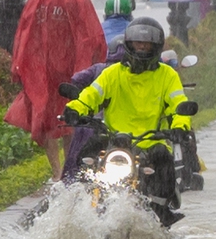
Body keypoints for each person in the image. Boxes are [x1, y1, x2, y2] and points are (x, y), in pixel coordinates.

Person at [62, 15, 195, 210]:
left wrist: (179, 127)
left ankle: (161, 211)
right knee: (83, 156)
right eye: (137, 43)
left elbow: (179, 105)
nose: (141, 47)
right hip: (112, 140)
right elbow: (90, 95)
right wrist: (74, 109)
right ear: (128, 44)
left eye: (146, 44)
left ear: (156, 46)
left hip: (150, 142)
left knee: (165, 163)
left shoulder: (168, 76)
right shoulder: (112, 73)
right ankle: (78, 202)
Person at [6, 0, 107, 177]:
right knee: (71, 116)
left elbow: (23, 35)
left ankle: (56, 170)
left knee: (47, 119)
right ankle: (69, 167)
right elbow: (94, 36)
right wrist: (96, 64)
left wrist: (19, 67)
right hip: (73, 71)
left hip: (43, 72)